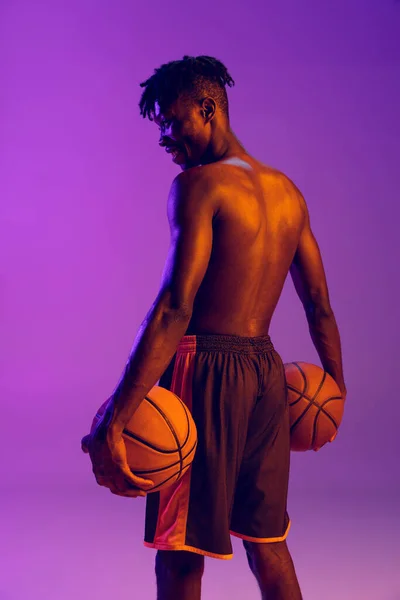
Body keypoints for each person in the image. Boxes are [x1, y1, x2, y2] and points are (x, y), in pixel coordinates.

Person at [81, 55, 346, 600]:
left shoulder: (199, 186)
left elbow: (175, 309)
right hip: (266, 373)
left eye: (172, 121)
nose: (164, 137)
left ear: (209, 109)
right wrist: (335, 390)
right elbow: (319, 304)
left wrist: (117, 414)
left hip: (203, 371)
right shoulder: (288, 192)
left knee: (180, 556)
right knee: (268, 543)